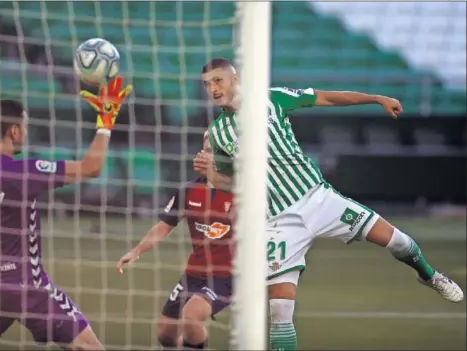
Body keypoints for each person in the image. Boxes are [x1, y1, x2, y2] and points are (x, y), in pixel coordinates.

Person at [193, 57, 464, 351]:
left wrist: (376, 98)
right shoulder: (217, 133)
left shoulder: (272, 99)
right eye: (207, 84)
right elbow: (234, 184)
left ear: (235, 78)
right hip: (279, 221)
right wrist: (210, 174)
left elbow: (326, 97)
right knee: (280, 312)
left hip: (320, 200)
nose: (213, 88)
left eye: (218, 80)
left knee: (399, 242)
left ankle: (429, 275)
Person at [0, 55, 132, 351]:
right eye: (25, 126)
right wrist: (106, 122)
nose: (26, 132)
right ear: (14, 131)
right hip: (26, 287)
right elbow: (92, 167)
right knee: (89, 347)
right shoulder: (24, 171)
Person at [117, 132, 234, 350]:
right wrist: (136, 251)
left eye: (215, 152)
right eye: (206, 150)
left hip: (227, 276)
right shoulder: (189, 190)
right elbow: (164, 226)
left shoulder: (243, 192)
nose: (208, 156)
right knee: (166, 335)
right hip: (194, 273)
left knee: (190, 318)